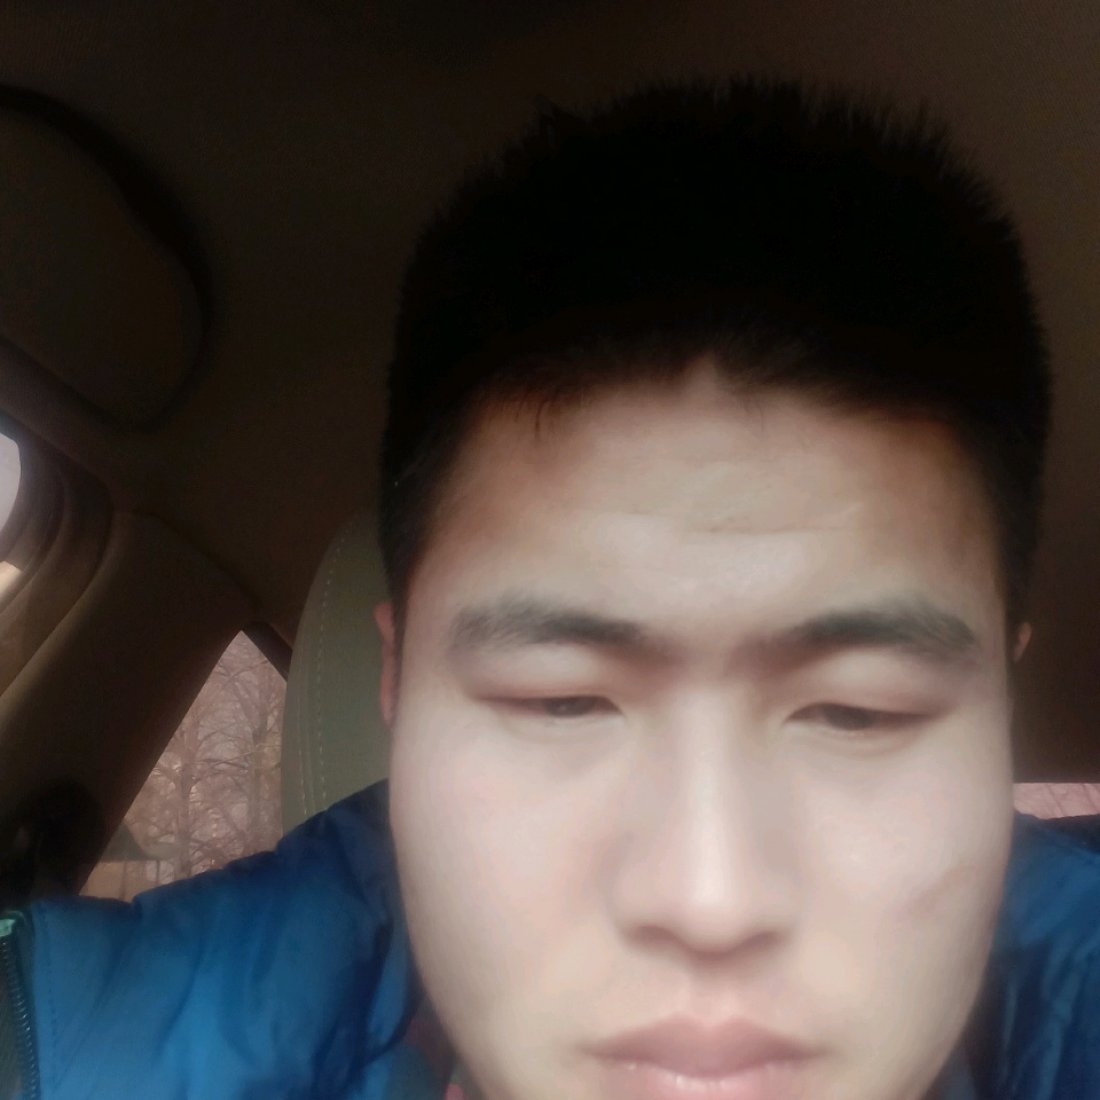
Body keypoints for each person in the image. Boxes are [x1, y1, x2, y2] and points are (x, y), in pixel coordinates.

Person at [3, 75, 1098, 1100]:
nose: (708, 899)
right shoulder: (69, 1046)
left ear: (999, 714)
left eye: (857, 710)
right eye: (561, 699)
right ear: (398, 686)